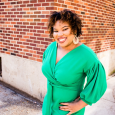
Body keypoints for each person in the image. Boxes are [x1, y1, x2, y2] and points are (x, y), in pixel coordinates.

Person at [41, 9, 107, 115]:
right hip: (48, 105)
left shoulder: (86, 55)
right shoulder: (51, 48)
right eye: (56, 30)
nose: (60, 34)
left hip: (69, 110)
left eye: (65, 29)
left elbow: (99, 82)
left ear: (75, 29)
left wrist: (80, 104)